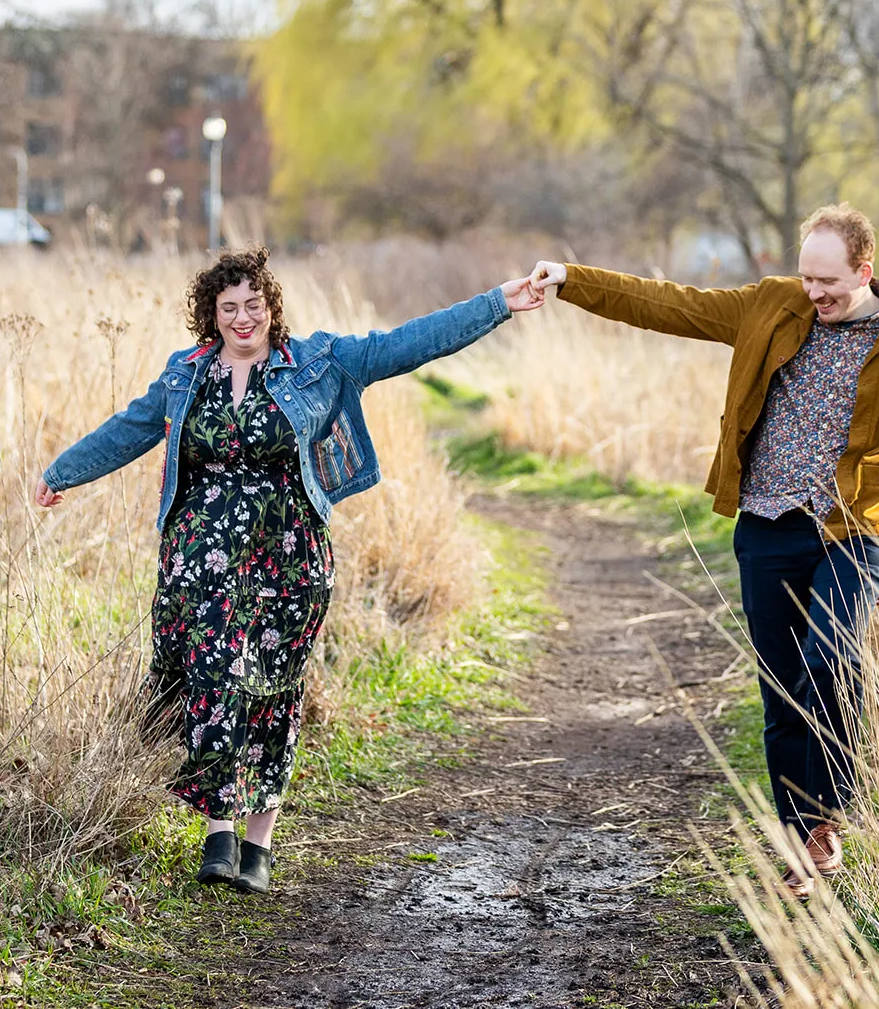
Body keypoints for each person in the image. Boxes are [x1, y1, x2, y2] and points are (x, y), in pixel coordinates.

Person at [36, 247, 544, 893]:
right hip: (201, 563)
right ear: (211, 314)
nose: (243, 318)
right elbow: (128, 429)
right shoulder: (185, 376)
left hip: (289, 560)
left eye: (254, 304)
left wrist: (499, 303)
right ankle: (219, 832)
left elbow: (410, 343)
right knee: (214, 678)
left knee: (273, 689)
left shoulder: (319, 363)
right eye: (228, 307)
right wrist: (63, 472)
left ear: (272, 307)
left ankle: (259, 845)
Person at [528, 204, 879, 898]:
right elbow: (669, 305)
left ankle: (830, 813)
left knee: (829, 657)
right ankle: (802, 839)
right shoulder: (772, 306)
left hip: (855, 526)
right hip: (768, 522)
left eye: (828, 282)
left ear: (865, 271)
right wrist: (573, 279)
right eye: (807, 276)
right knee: (781, 687)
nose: (814, 292)